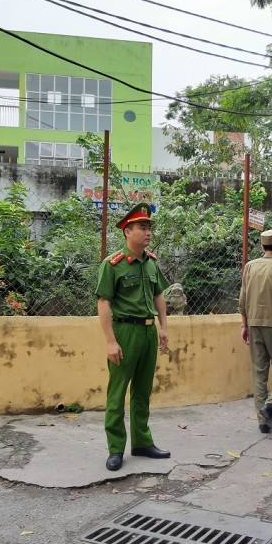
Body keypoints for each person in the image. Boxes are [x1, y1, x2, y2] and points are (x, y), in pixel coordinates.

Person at [95, 202, 171, 472]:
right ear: (127, 231)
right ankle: (116, 448)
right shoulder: (112, 264)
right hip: (125, 331)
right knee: (117, 392)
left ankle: (142, 442)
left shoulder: (151, 263)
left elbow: (159, 294)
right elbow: (103, 302)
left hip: (148, 332)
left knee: (142, 391)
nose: (148, 232)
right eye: (142, 227)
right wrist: (110, 341)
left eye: (149, 227)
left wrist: (163, 326)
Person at [239, 229, 272, 434]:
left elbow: (242, 300)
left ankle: (263, 421)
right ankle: (271, 405)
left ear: (262, 247)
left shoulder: (250, 267)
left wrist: (243, 325)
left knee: (259, 372)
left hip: (253, 324)